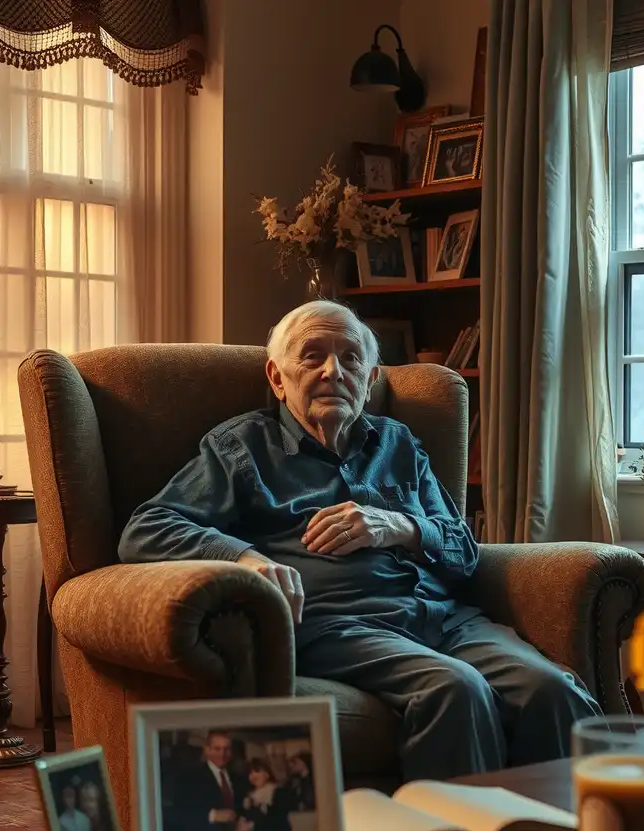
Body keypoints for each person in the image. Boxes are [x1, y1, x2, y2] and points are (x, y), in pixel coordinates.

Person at [119, 300, 601, 781]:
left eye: (351, 358)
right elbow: (148, 527)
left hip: (444, 619)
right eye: (313, 356)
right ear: (276, 378)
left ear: (370, 382)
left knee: (550, 689)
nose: (333, 371)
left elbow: (463, 550)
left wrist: (400, 526)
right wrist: (243, 558)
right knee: (455, 688)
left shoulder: (399, 443)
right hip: (341, 626)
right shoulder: (241, 448)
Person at [163, 731, 247, 831]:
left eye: (226, 749)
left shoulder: (239, 778)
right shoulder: (190, 777)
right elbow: (178, 813)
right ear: (207, 750)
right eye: (217, 749)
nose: (222, 754)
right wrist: (213, 815)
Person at [238, 758, 294, 831]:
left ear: (267, 774)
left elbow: (279, 821)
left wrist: (253, 826)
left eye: (257, 771)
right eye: (250, 773)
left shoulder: (278, 792)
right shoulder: (247, 798)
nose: (253, 776)